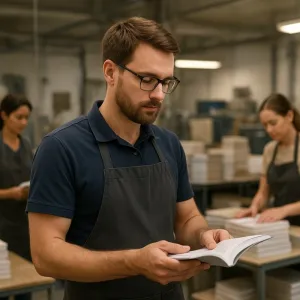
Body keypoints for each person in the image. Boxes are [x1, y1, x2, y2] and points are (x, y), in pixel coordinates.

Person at [27, 17, 231, 300]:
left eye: (166, 82)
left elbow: (187, 219)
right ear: (111, 72)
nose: (159, 95)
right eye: (147, 80)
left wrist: (204, 237)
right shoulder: (61, 148)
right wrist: (136, 262)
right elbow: (46, 255)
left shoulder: (168, 144)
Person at [236, 93, 300, 225]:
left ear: (289, 116)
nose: (269, 130)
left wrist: (283, 210)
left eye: (273, 123)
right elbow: (263, 193)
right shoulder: (270, 149)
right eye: (265, 125)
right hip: (281, 226)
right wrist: (254, 207)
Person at [0, 94, 33, 300]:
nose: (24, 122)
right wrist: (9, 193)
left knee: (26, 285)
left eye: (26, 118)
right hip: (2, 225)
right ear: (4, 115)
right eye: (18, 117)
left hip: (24, 225)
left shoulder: (27, 145)